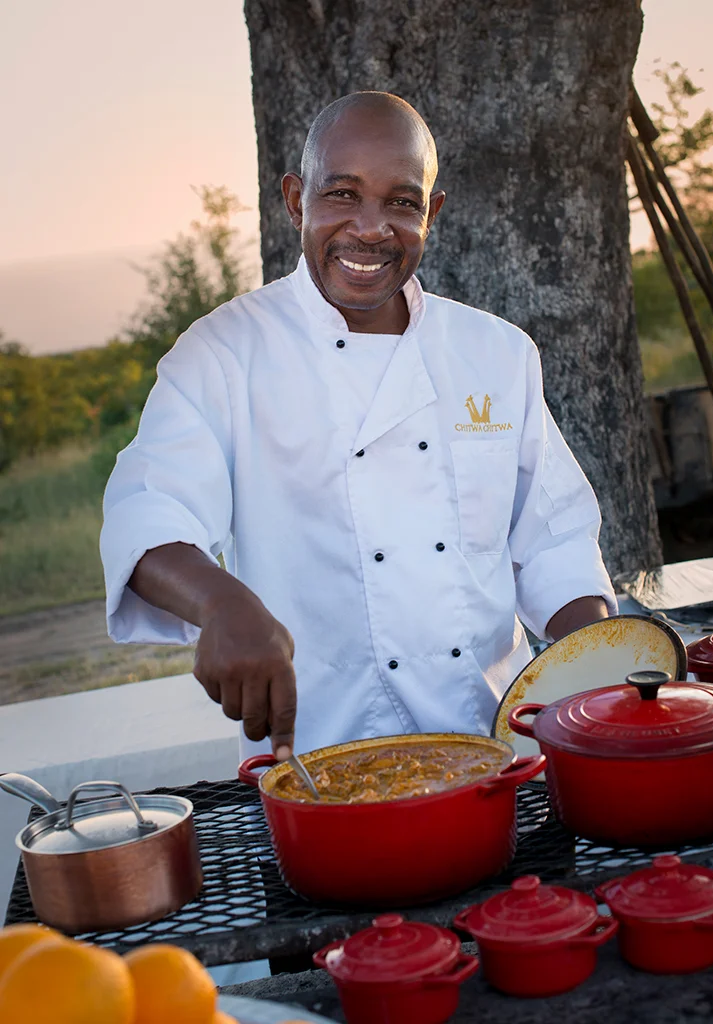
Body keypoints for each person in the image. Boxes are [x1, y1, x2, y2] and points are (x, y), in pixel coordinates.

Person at [100, 91, 617, 764]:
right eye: (343, 194)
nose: (372, 229)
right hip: (322, 773)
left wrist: (606, 673)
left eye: (401, 202)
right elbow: (148, 512)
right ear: (295, 200)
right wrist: (223, 603)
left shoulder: (497, 352)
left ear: (431, 213)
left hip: (500, 754)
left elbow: (554, 540)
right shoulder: (224, 353)